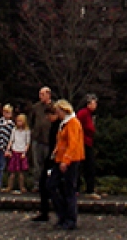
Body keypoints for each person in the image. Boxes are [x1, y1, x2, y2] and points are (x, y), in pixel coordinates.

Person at [47, 99, 85, 230]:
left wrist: (66, 160)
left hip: (70, 160)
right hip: (61, 159)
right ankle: (63, 215)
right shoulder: (64, 123)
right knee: (53, 186)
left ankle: (69, 218)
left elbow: (73, 144)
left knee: (68, 189)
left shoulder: (72, 123)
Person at [29, 104, 62, 223]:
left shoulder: (59, 126)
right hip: (52, 156)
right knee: (44, 184)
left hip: (57, 158)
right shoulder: (54, 126)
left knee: (52, 186)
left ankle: (59, 213)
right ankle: (45, 211)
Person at [28, 86, 55, 190]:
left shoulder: (54, 107)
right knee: (36, 164)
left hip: (48, 140)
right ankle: (36, 184)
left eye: (42, 94)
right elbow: (31, 121)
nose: (40, 97)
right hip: (37, 139)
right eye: (40, 94)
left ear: (48, 95)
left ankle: (47, 184)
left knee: (47, 164)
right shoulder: (36, 107)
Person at [76, 93, 99, 197]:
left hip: (87, 142)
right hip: (83, 142)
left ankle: (87, 187)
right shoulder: (83, 113)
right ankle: (86, 188)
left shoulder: (89, 114)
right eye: (94, 103)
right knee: (87, 165)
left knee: (87, 166)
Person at [4, 113, 31, 193]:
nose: (18, 123)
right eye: (17, 121)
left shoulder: (27, 131)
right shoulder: (14, 130)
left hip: (21, 152)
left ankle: (22, 187)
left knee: (20, 172)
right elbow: (11, 140)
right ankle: (9, 187)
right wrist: (8, 150)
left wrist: (24, 152)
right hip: (14, 151)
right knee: (12, 172)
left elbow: (27, 143)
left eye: (20, 121)